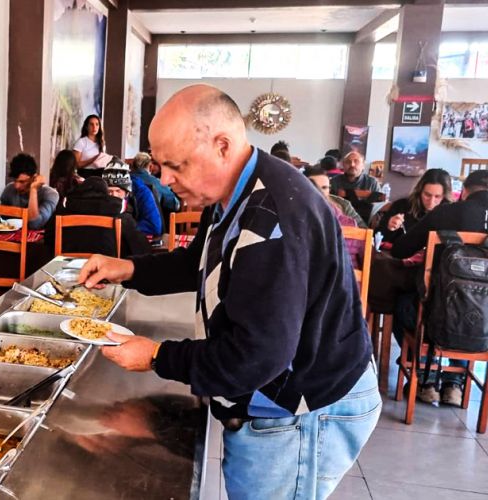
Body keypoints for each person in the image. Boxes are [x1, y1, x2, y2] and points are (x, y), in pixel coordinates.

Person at [78, 84, 379, 500]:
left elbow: (257, 356)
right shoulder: (232, 192)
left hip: (300, 409)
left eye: (175, 166)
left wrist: (156, 356)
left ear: (222, 145)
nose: (165, 179)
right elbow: (197, 261)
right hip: (274, 392)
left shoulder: (271, 219)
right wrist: (127, 268)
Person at [389, 170, 488, 406]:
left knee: (404, 307)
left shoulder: (448, 212)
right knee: (470, 313)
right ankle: (454, 385)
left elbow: (400, 250)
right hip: (485, 321)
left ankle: (427, 378)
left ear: (463, 192)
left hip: (438, 312)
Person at [44, 177, 151, 258]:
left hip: (67, 267)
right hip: (108, 269)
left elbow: (48, 238)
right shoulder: (119, 209)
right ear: (106, 193)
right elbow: (140, 247)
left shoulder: (65, 206)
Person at [376, 169, 452, 244]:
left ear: (444, 196)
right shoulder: (401, 206)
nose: (431, 202)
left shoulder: (450, 214)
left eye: (437, 196)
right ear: (419, 191)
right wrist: (389, 227)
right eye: (427, 195)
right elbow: (376, 237)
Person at [102, 158, 163, 237]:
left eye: (118, 191)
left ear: (127, 192)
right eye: (109, 192)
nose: (114, 195)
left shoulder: (142, 192)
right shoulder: (99, 193)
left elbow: (154, 226)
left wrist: (120, 228)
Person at [0, 153, 59, 230]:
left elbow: (34, 224)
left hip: (41, 240)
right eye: (15, 180)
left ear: (34, 178)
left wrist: (33, 189)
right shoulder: (9, 189)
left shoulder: (50, 194)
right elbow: (2, 219)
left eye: (22, 182)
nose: (16, 186)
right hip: (12, 238)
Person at [131, 152, 181, 219]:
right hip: (151, 224)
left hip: (127, 225)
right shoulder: (158, 183)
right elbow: (175, 205)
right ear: (150, 166)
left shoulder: (125, 181)